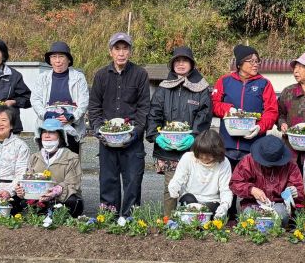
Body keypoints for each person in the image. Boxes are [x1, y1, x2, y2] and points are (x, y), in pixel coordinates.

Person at [88, 32, 151, 218]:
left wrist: (135, 132)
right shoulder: (101, 75)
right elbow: (94, 107)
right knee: (108, 180)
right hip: (107, 139)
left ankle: (130, 219)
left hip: (132, 140)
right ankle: (109, 218)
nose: (121, 53)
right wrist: (99, 130)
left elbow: (143, 107)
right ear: (111, 52)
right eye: (117, 49)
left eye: (125, 49)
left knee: (133, 181)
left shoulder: (140, 74)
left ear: (130, 51)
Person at [146, 46, 213, 217]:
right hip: (168, 149)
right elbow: (154, 113)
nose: (180, 64)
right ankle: (169, 221)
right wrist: (156, 136)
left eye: (184, 61)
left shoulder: (201, 88)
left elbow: (204, 115)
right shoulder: (164, 88)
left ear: (191, 64)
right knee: (171, 187)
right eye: (177, 61)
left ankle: (191, 221)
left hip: (192, 149)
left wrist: (194, 137)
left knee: (192, 188)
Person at [212, 44, 279, 170]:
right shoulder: (224, 81)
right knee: (227, 180)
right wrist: (228, 109)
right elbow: (214, 104)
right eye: (251, 61)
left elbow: (271, 111)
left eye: (257, 61)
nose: (256, 64)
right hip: (227, 145)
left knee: (250, 180)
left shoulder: (264, 83)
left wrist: (260, 127)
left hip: (254, 146)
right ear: (240, 64)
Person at [229, 135, 305, 227]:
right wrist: (251, 189)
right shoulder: (248, 161)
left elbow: (299, 191)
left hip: (279, 204)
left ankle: (277, 232)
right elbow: (235, 183)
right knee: (249, 216)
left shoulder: (290, 165)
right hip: (253, 203)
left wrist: (294, 191)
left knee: (282, 215)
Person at [31, 41, 90, 155]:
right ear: (50, 60)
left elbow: (84, 101)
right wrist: (46, 115)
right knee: (47, 160)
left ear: (68, 59)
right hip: (47, 124)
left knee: (70, 160)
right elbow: (35, 99)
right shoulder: (42, 78)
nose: (57, 61)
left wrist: (72, 116)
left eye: (61, 56)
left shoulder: (78, 77)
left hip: (71, 125)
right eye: (54, 57)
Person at [24, 118, 85, 217]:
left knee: (74, 202)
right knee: (22, 201)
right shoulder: (34, 157)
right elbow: (29, 178)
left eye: (52, 132)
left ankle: (53, 214)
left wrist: (56, 191)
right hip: (40, 197)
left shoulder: (72, 157)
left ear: (60, 136)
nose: (47, 135)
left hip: (61, 199)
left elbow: (73, 183)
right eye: (44, 132)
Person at [167, 129, 233, 219]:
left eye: (209, 155)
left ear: (217, 153)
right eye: (201, 154)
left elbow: (226, 189)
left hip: (212, 201)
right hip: (190, 198)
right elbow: (178, 178)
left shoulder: (224, 163)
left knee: (213, 211)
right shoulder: (188, 158)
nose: (204, 158)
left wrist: (224, 205)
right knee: (188, 201)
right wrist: (174, 186)